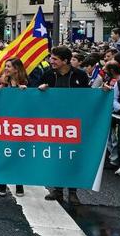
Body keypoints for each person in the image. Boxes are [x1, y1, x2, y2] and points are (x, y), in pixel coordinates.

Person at [38, 46, 89, 205]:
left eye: (54, 59)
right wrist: (41, 90)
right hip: (54, 124)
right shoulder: (48, 75)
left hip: (73, 124)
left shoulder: (79, 75)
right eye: (50, 58)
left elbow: (88, 96)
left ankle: (73, 191)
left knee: (72, 157)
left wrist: (104, 92)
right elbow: (36, 96)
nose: (50, 61)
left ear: (65, 61)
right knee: (56, 157)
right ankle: (58, 190)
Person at [0, 58, 27, 197]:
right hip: (4, 123)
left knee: (18, 154)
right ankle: (3, 183)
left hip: (20, 124)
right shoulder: (1, 82)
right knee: (5, 153)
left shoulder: (25, 83)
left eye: (8, 66)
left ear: (16, 69)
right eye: (5, 66)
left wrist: (26, 91)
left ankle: (19, 184)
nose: (5, 68)